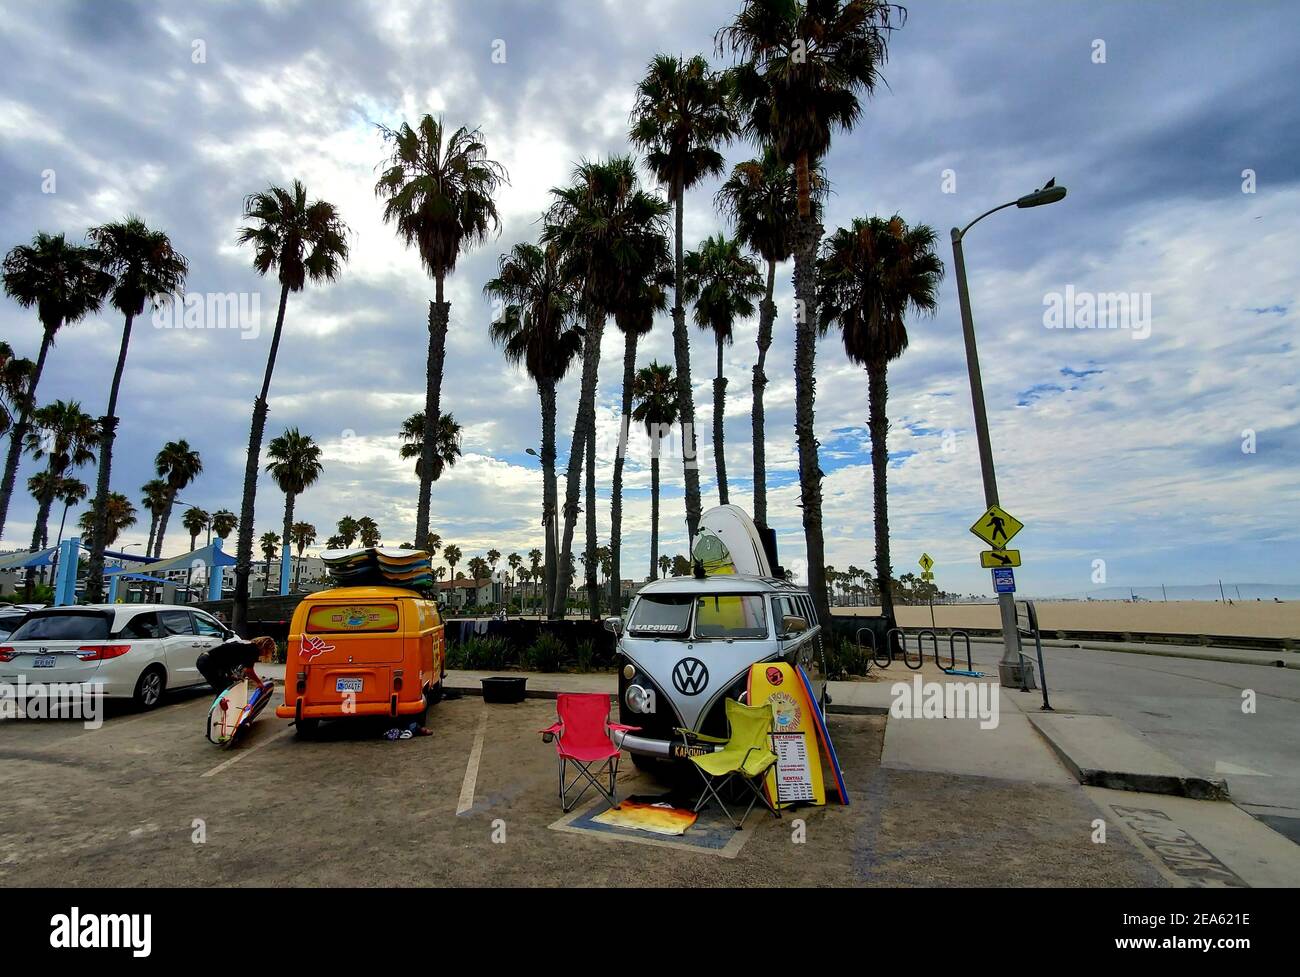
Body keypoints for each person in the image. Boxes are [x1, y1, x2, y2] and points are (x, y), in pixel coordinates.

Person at [197, 635, 275, 691]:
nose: (266, 654)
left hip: (205, 660)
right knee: (224, 690)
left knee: (229, 686)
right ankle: (220, 712)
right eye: (269, 652)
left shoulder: (247, 645)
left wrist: (231, 675)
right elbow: (248, 671)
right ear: (265, 647)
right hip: (208, 662)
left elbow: (227, 657)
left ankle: (226, 711)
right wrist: (259, 682)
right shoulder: (253, 649)